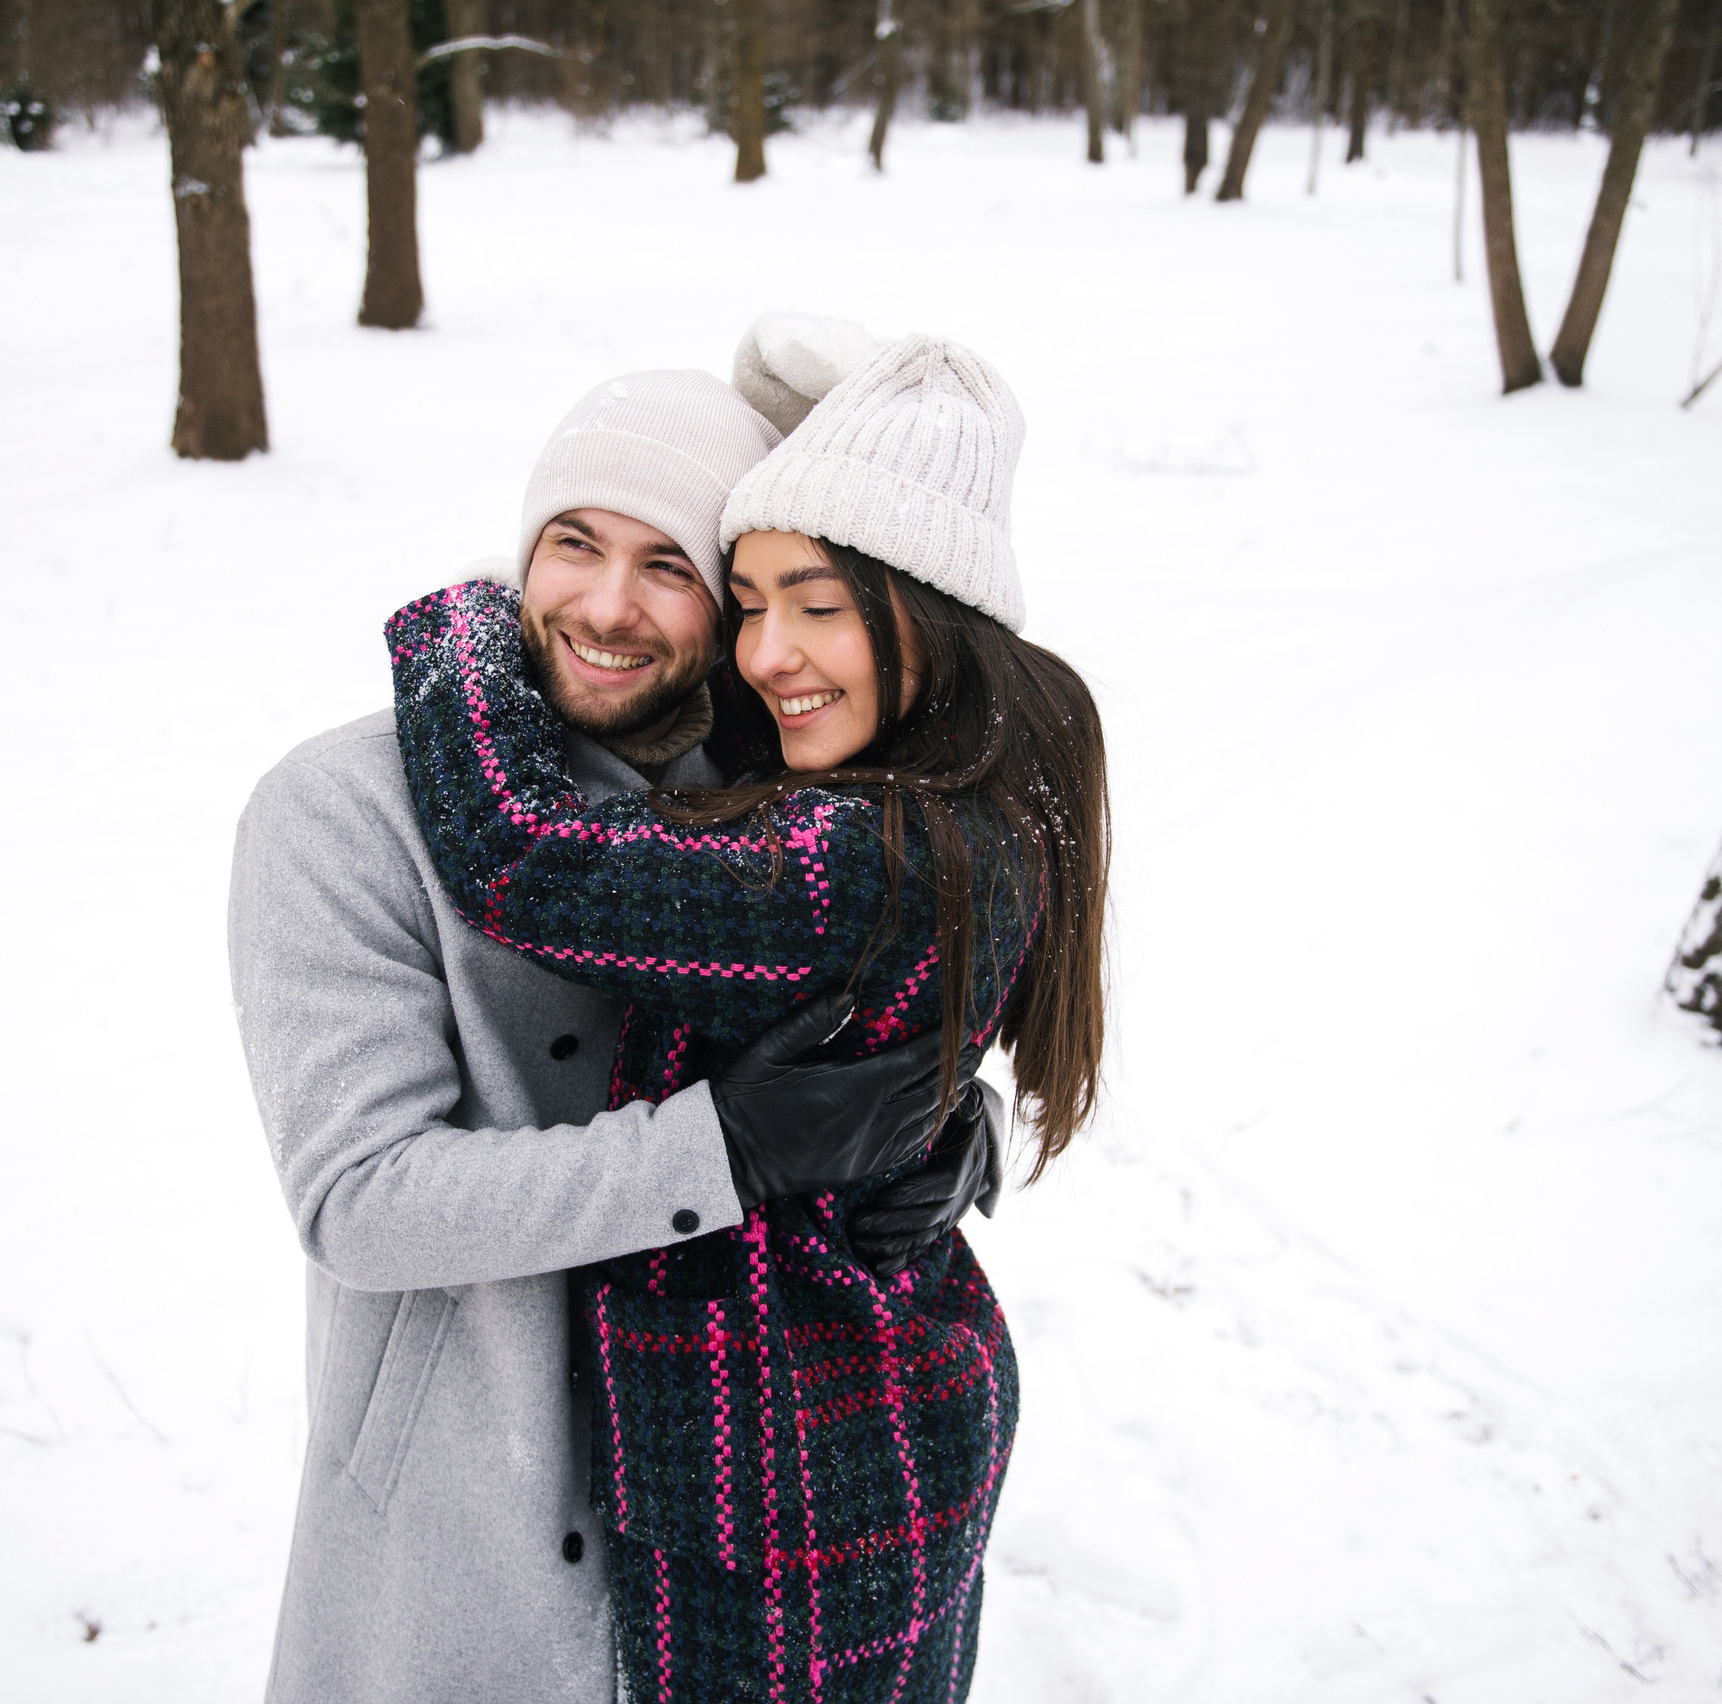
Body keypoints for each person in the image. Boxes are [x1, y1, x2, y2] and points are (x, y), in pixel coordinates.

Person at [226, 365, 1001, 1704]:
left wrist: (930, 1115)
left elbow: (890, 961)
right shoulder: (344, 813)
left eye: (669, 567)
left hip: (738, 1536)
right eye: (573, 543)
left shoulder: (758, 802)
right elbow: (362, 1200)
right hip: (470, 1523)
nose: (605, 606)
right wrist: (730, 1150)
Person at [383, 328, 1110, 1700]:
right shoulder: (970, 798)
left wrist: (473, 614)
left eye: (819, 603)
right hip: (864, 1430)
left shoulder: (864, 859)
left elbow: (526, 855)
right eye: (749, 599)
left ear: (928, 610)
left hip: (801, 1486)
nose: (769, 655)